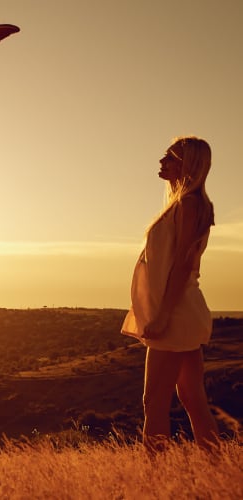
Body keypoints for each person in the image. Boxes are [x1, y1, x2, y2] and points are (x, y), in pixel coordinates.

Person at [121, 136, 219, 452]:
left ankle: (154, 481)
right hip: (184, 310)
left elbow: (181, 266)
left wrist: (162, 315)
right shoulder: (189, 203)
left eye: (170, 157)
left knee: (154, 401)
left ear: (186, 164)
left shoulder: (189, 204)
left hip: (175, 312)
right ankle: (218, 469)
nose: (162, 162)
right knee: (192, 399)